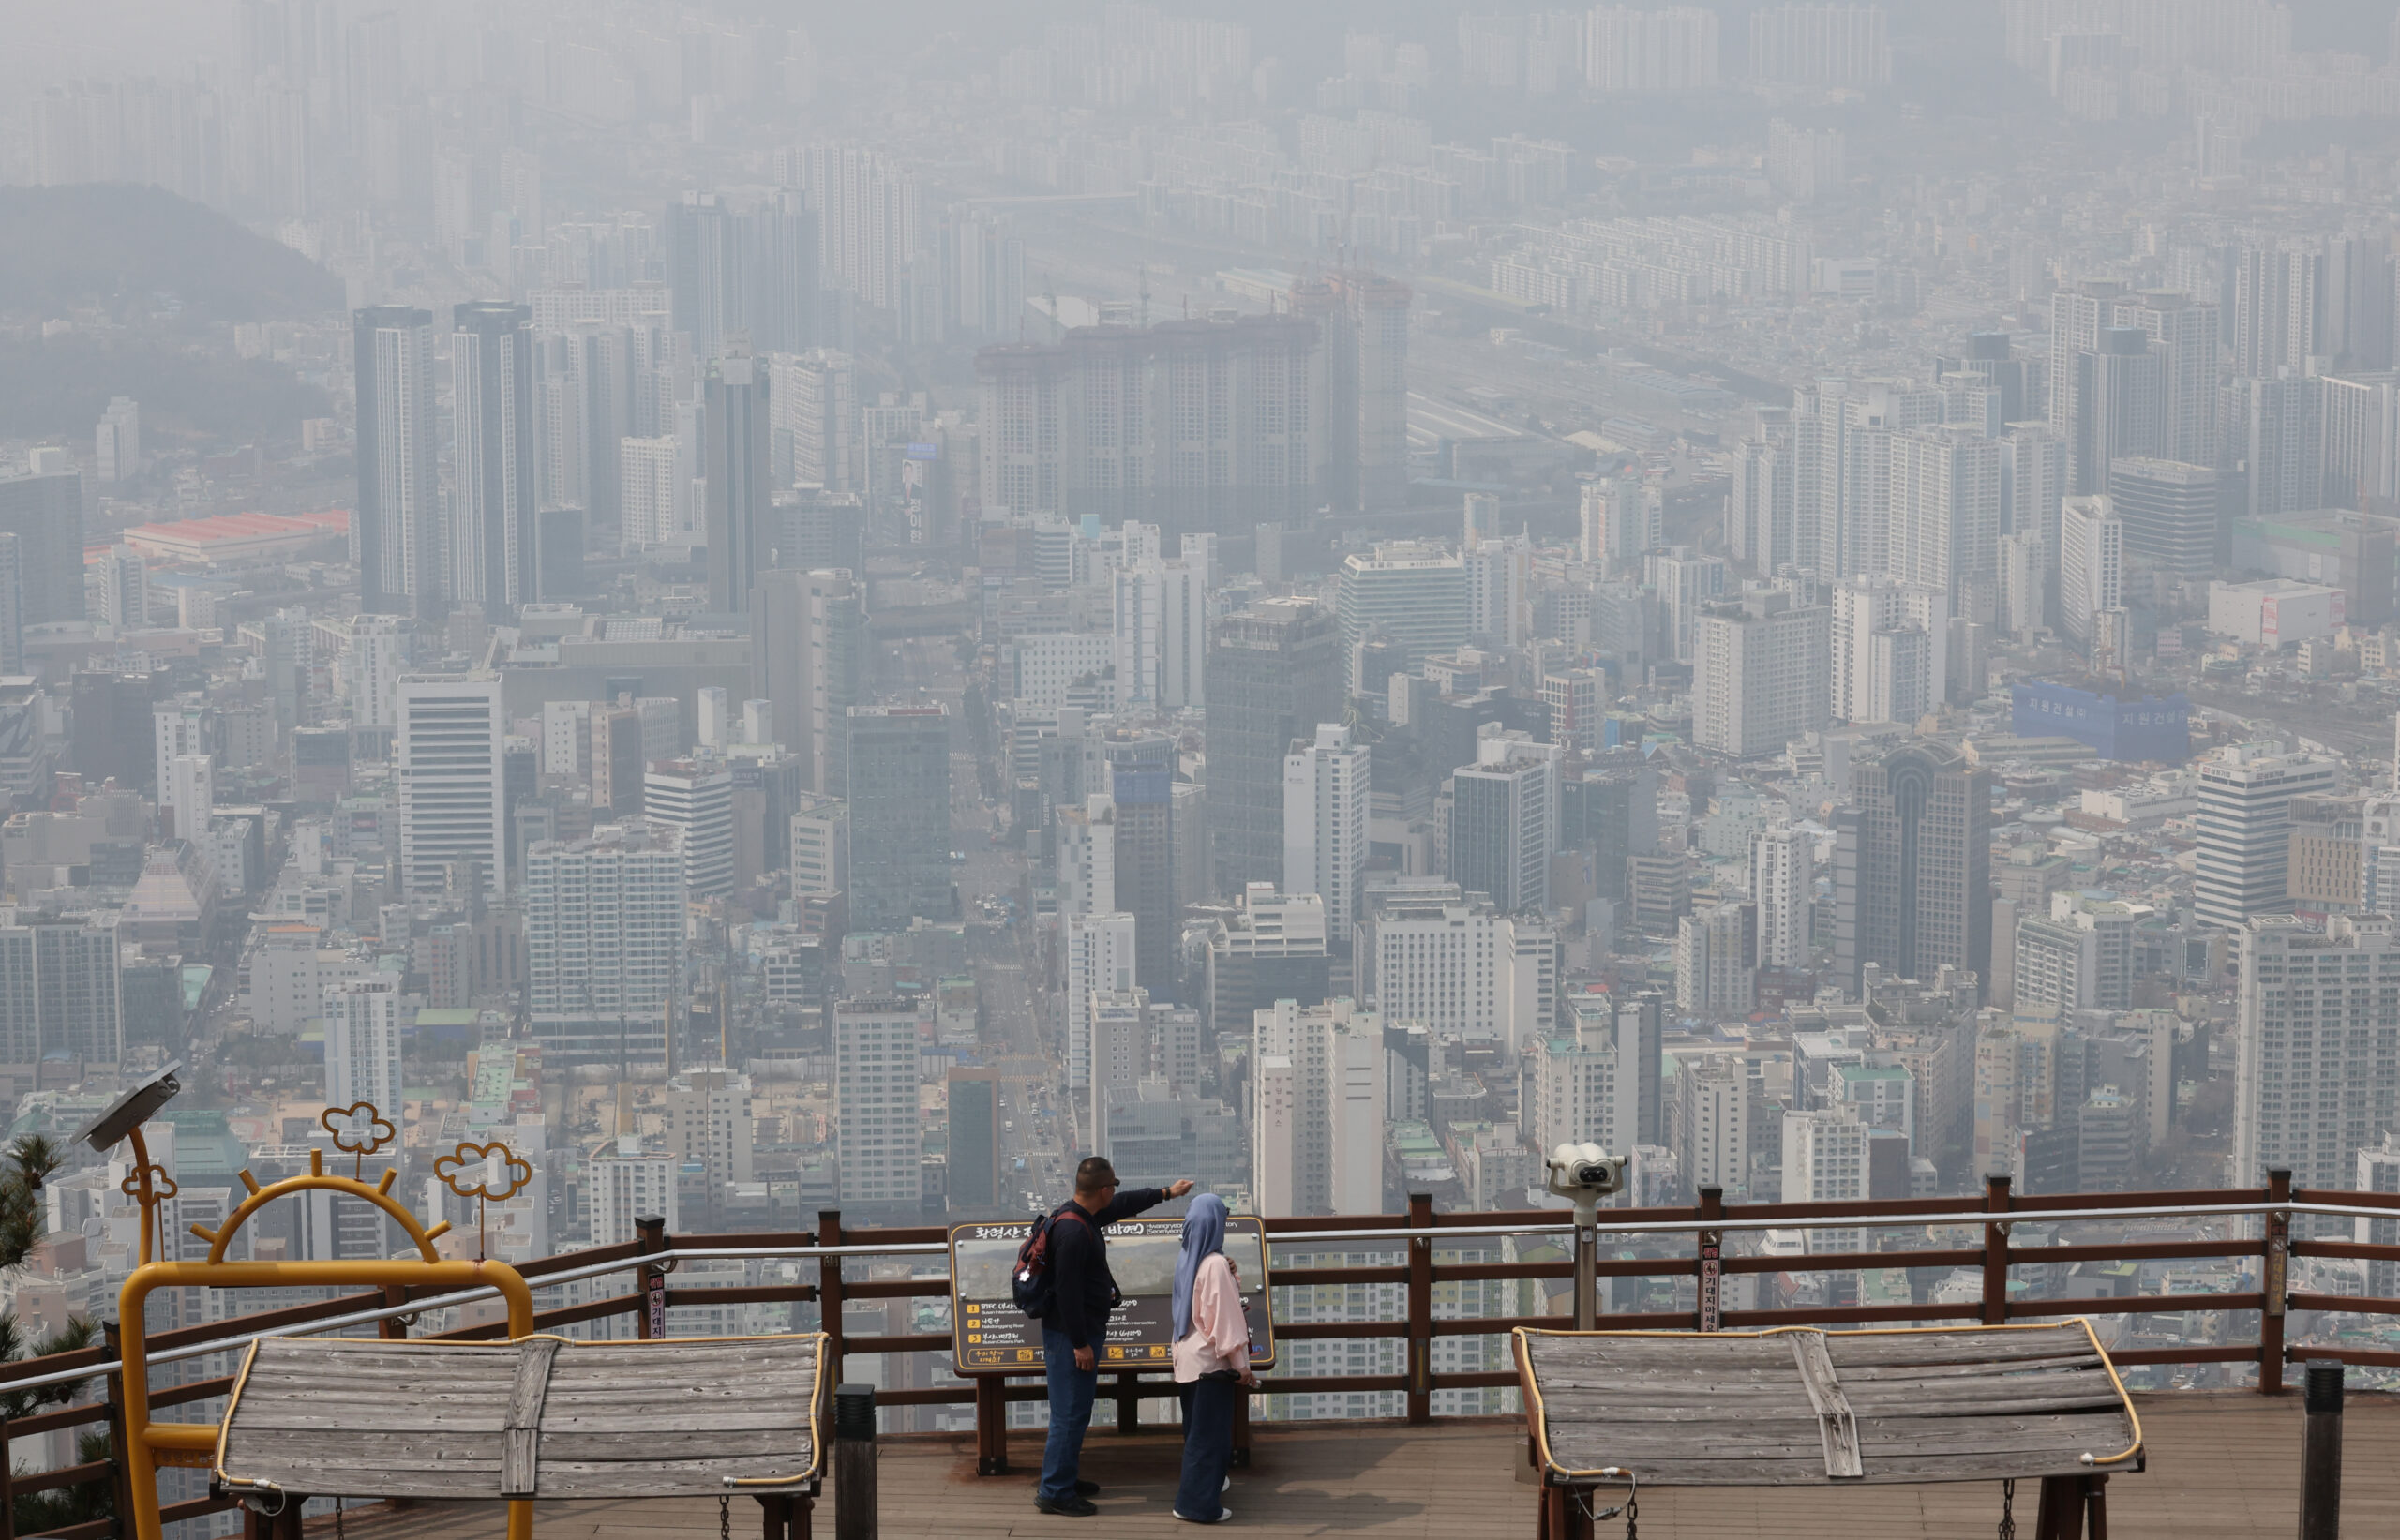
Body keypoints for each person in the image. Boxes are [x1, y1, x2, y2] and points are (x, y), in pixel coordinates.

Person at [1035, 1157, 1194, 1518]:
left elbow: (1124, 1205)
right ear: (1103, 1190)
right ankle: (1054, 1491)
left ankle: (1064, 1478)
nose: (1115, 1194)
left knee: (1075, 1411)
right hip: (1069, 1336)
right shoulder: (1075, 1233)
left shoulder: (1078, 1214)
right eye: (1113, 1188)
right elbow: (1067, 1293)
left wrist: (1167, 1193)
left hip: (1074, 1332)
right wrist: (1080, 1344)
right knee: (1069, 1414)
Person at [1169, 1192, 1252, 1525]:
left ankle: (1209, 1486)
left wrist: (1227, 1267)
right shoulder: (1214, 1264)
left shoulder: (1190, 1255)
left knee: (1197, 1432)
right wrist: (1242, 1367)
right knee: (1209, 1437)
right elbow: (1225, 1322)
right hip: (1210, 1364)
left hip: (1187, 1359)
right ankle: (1196, 1505)